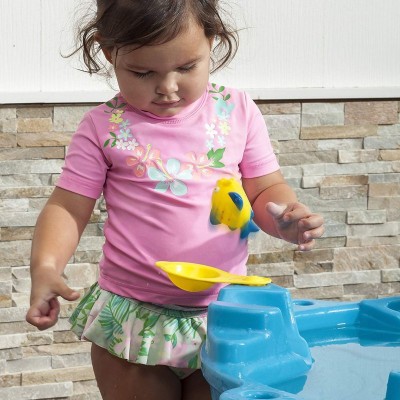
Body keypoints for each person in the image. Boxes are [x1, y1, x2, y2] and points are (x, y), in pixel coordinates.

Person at [26, 1, 325, 399]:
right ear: (109, 52)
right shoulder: (103, 128)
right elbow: (68, 205)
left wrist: (284, 217)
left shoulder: (236, 111)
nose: (168, 87)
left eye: (186, 68)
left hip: (222, 315)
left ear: (211, 40)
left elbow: (265, 188)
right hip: (134, 318)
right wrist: (46, 267)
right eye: (143, 72)